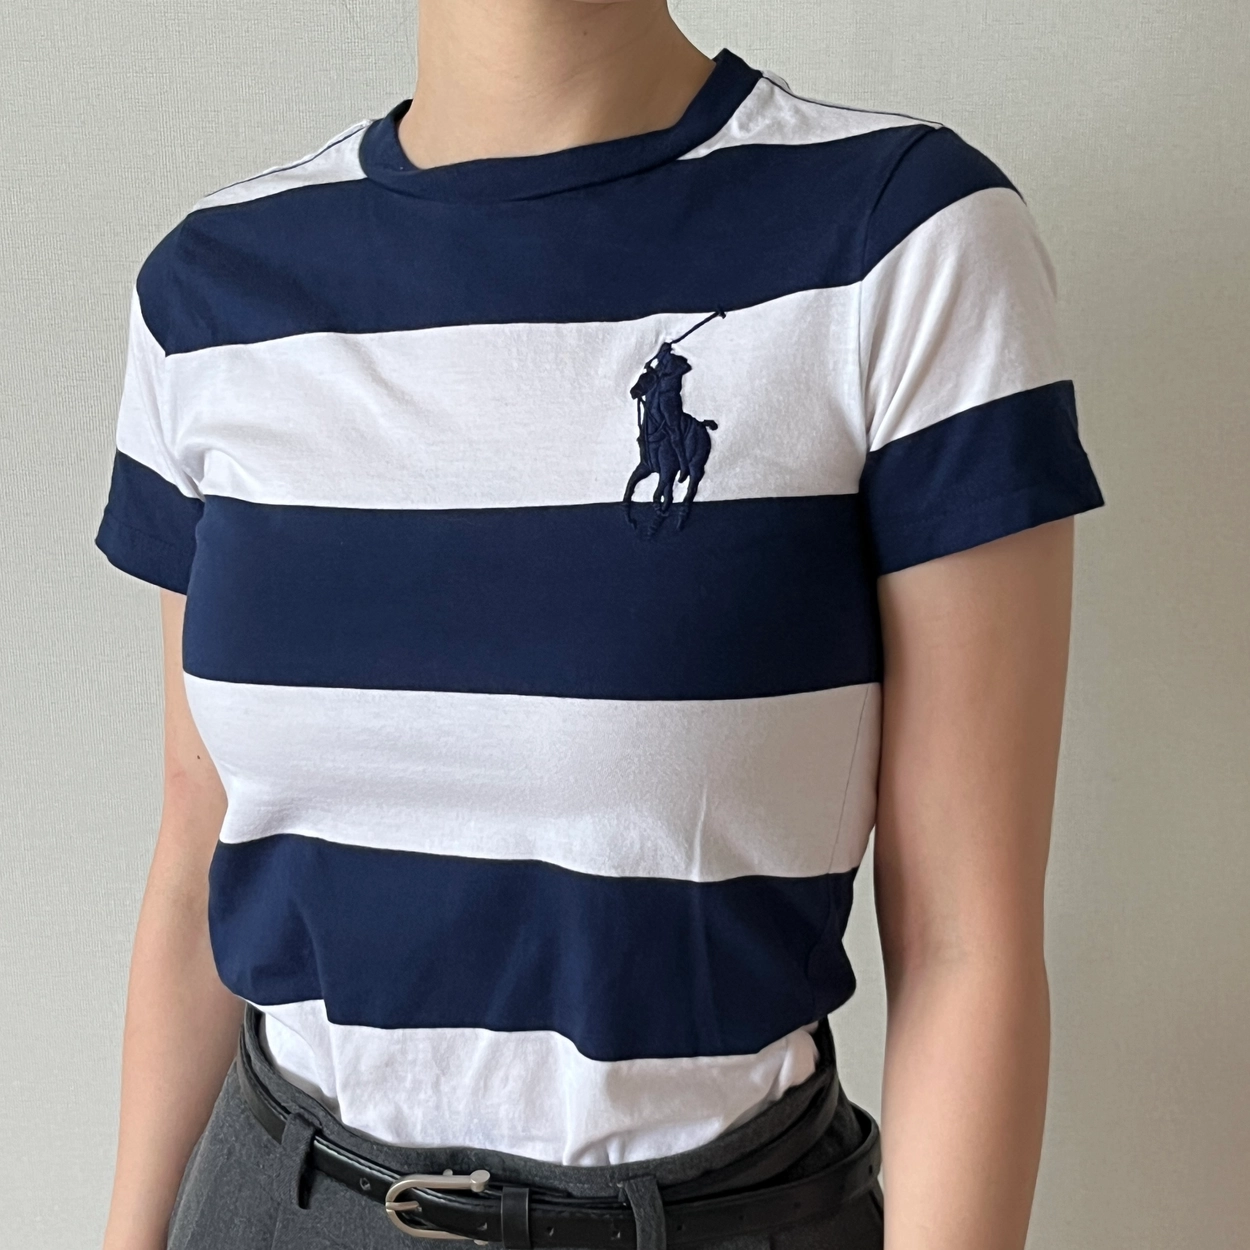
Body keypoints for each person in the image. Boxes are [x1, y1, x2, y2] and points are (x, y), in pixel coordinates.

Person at [93, 2, 1105, 1249]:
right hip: (274, 1201)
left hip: (707, 1214)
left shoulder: (900, 241)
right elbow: (197, 838)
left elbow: (964, 934)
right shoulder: (211, 294)